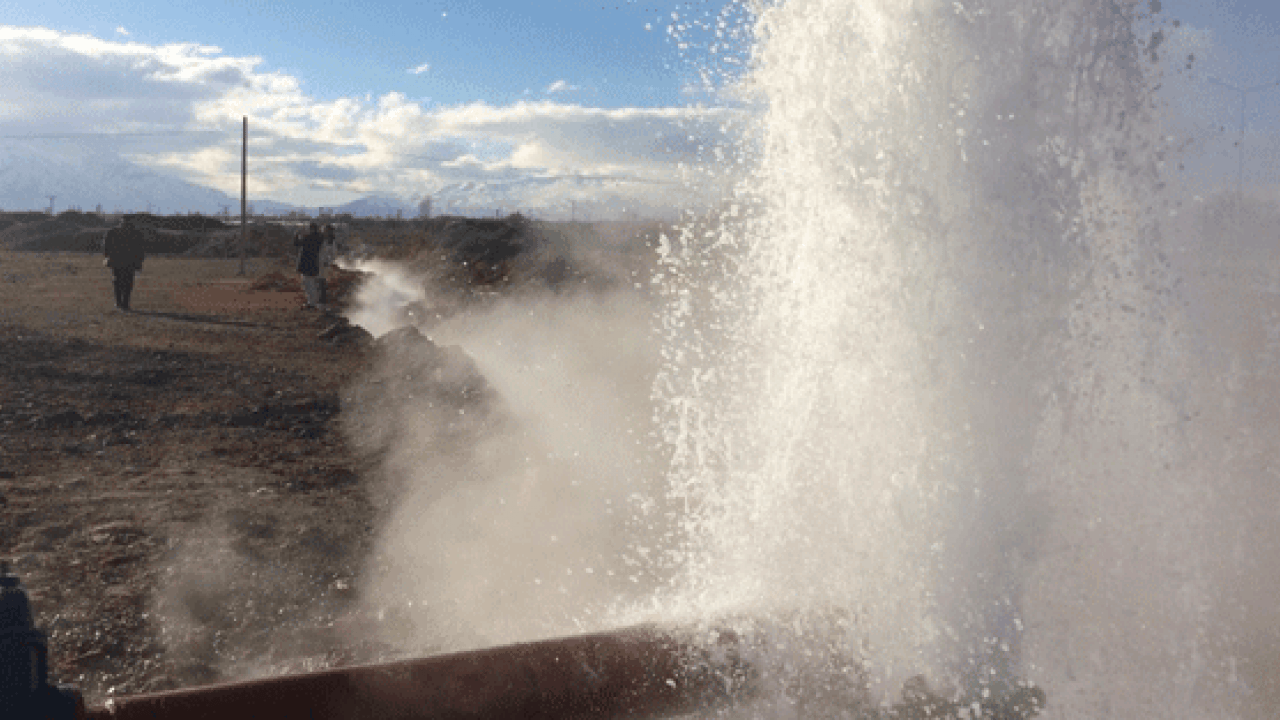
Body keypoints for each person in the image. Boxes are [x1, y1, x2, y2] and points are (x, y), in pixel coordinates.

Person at [102, 215, 146, 311]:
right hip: (130, 261)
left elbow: (106, 245)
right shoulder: (136, 233)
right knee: (128, 282)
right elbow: (141, 249)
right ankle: (125, 303)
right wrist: (139, 261)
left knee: (117, 282)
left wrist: (107, 257)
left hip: (116, 260)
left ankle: (119, 303)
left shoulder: (113, 232)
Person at [294, 222, 328, 309]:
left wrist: (297, 234)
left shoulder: (309, 238)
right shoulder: (320, 238)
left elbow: (296, 243)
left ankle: (312, 303)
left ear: (311, 229)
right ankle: (314, 302)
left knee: (308, 284)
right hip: (315, 263)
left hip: (307, 264)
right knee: (312, 283)